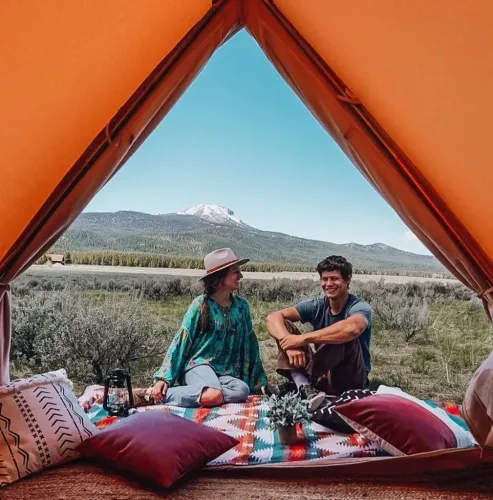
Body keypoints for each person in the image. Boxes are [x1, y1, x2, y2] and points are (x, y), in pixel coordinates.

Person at [143, 248, 267, 408]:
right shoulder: (201, 304)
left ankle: (197, 393)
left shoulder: (242, 307)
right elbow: (182, 341)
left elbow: (251, 344)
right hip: (198, 366)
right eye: (235, 272)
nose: (240, 276)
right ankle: (153, 394)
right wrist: (163, 378)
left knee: (242, 390)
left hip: (224, 373)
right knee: (214, 395)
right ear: (221, 276)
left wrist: (260, 380)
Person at [264, 255, 371, 411]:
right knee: (285, 325)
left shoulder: (359, 306)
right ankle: (305, 388)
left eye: (334, 279)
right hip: (321, 373)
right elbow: (272, 318)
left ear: (348, 280)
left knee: (342, 335)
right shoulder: (317, 305)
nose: (328, 284)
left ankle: (298, 385)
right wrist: (288, 344)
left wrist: (303, 339)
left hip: (349, 377)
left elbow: (352, 329)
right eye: (324, 279)